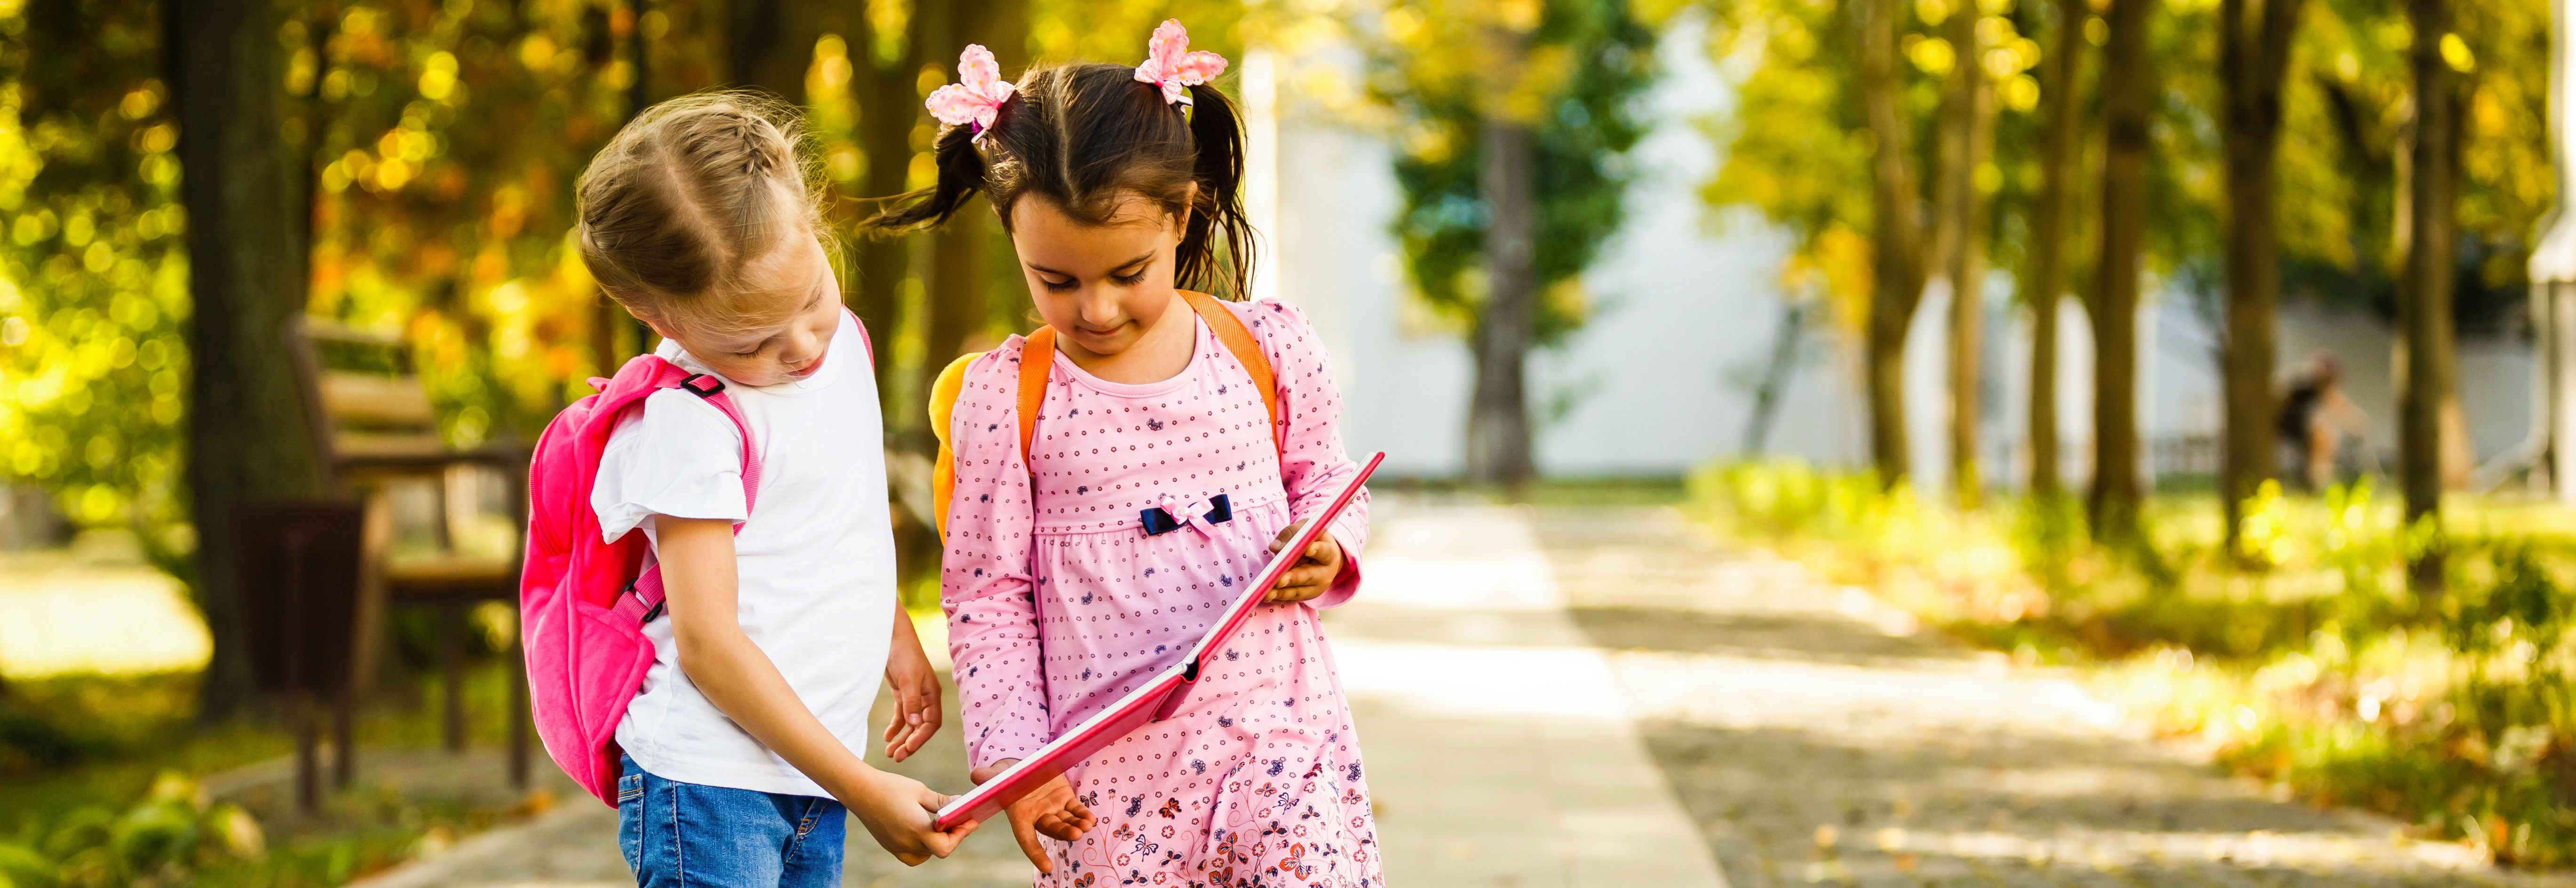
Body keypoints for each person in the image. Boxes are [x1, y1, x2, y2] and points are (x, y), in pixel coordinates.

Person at [871, 22, 1383, 887]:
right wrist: (1019, 761)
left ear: (1181, 215)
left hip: (1282, 743)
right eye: (1057, 280)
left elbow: (1327, 476)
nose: (1097, 310)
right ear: (1015, 242)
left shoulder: (1266, 344)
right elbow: (987, 595)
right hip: (1109, 788)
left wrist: (1329, 544)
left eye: (1127, 272)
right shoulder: (1008, 397)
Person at [574, 93, 976, 886]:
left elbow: (836, 512)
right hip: (710, 783)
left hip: (805, 770)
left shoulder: (849, 343)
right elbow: (709, 646)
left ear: (815, 222)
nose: (800, 347)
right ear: (655, 314)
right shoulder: (690, 421)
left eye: (809, 301)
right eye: (753, 339)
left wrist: (891, 632)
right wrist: (861, 788)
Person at [2276, 352, 2371, 490]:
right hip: (2281, 423)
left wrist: (2358, 424)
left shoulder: (2317, 384)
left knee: (2323, 437)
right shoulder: (2300, 383)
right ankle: (2315, 483)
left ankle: (2314, 483)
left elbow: (2338, 404)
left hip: (2296, 426)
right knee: (2322, 438)